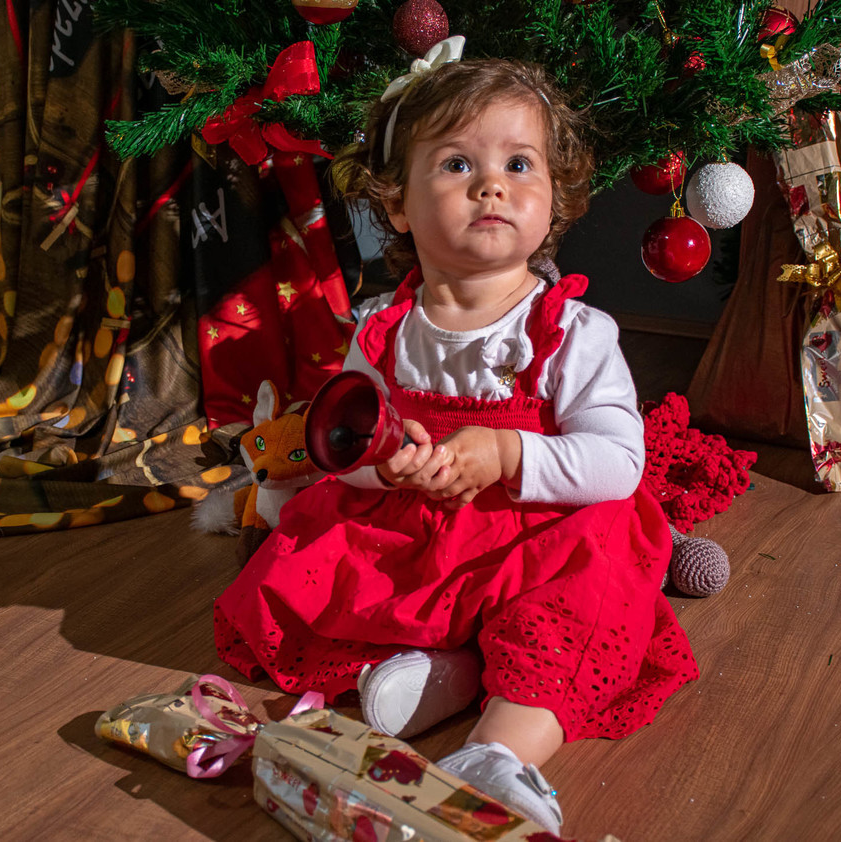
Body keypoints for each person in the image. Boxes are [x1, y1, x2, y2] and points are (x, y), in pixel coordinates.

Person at [213, 37, 698, 834]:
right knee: (314, 556)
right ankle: (450, 668)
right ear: (398, 203)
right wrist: (385, 470)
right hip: (419, 540)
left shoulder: (572, 331)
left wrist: (509, 452)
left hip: (533, 538)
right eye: (456, 166)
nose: (491, 188)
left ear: (555, 199)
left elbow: (617, 462)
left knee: (598, 565)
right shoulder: (382, 329)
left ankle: (499, 752)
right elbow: (345, 445)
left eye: (519, 165)